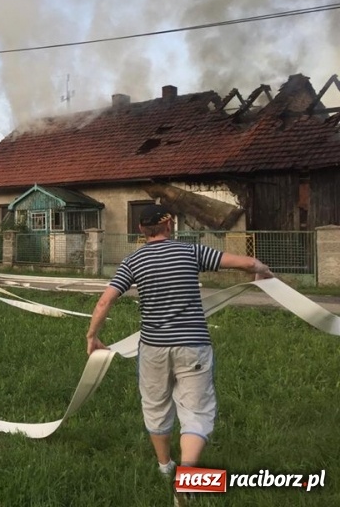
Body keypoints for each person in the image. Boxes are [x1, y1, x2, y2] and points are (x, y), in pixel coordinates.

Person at [85, 204, 273, 491]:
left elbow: (104, 301)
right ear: (169, 225)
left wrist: (92, 336)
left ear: (140, 230)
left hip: (153, 349)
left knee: (156, 406)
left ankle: (165, 467)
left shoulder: (132, 261)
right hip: (193, 345)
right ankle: (187, 478)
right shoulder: (191, 252)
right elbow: (245, 264)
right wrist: (262, 270)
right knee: (196, 411)